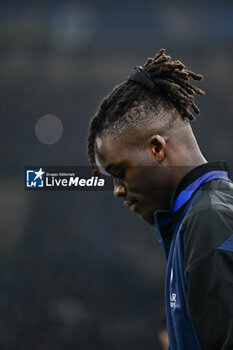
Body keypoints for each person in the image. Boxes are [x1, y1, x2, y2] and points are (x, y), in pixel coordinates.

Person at [87, 49, 233, 349]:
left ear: (156, 148)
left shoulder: (210, 221)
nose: (117, 189)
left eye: (120, 171)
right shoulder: (191, 220)